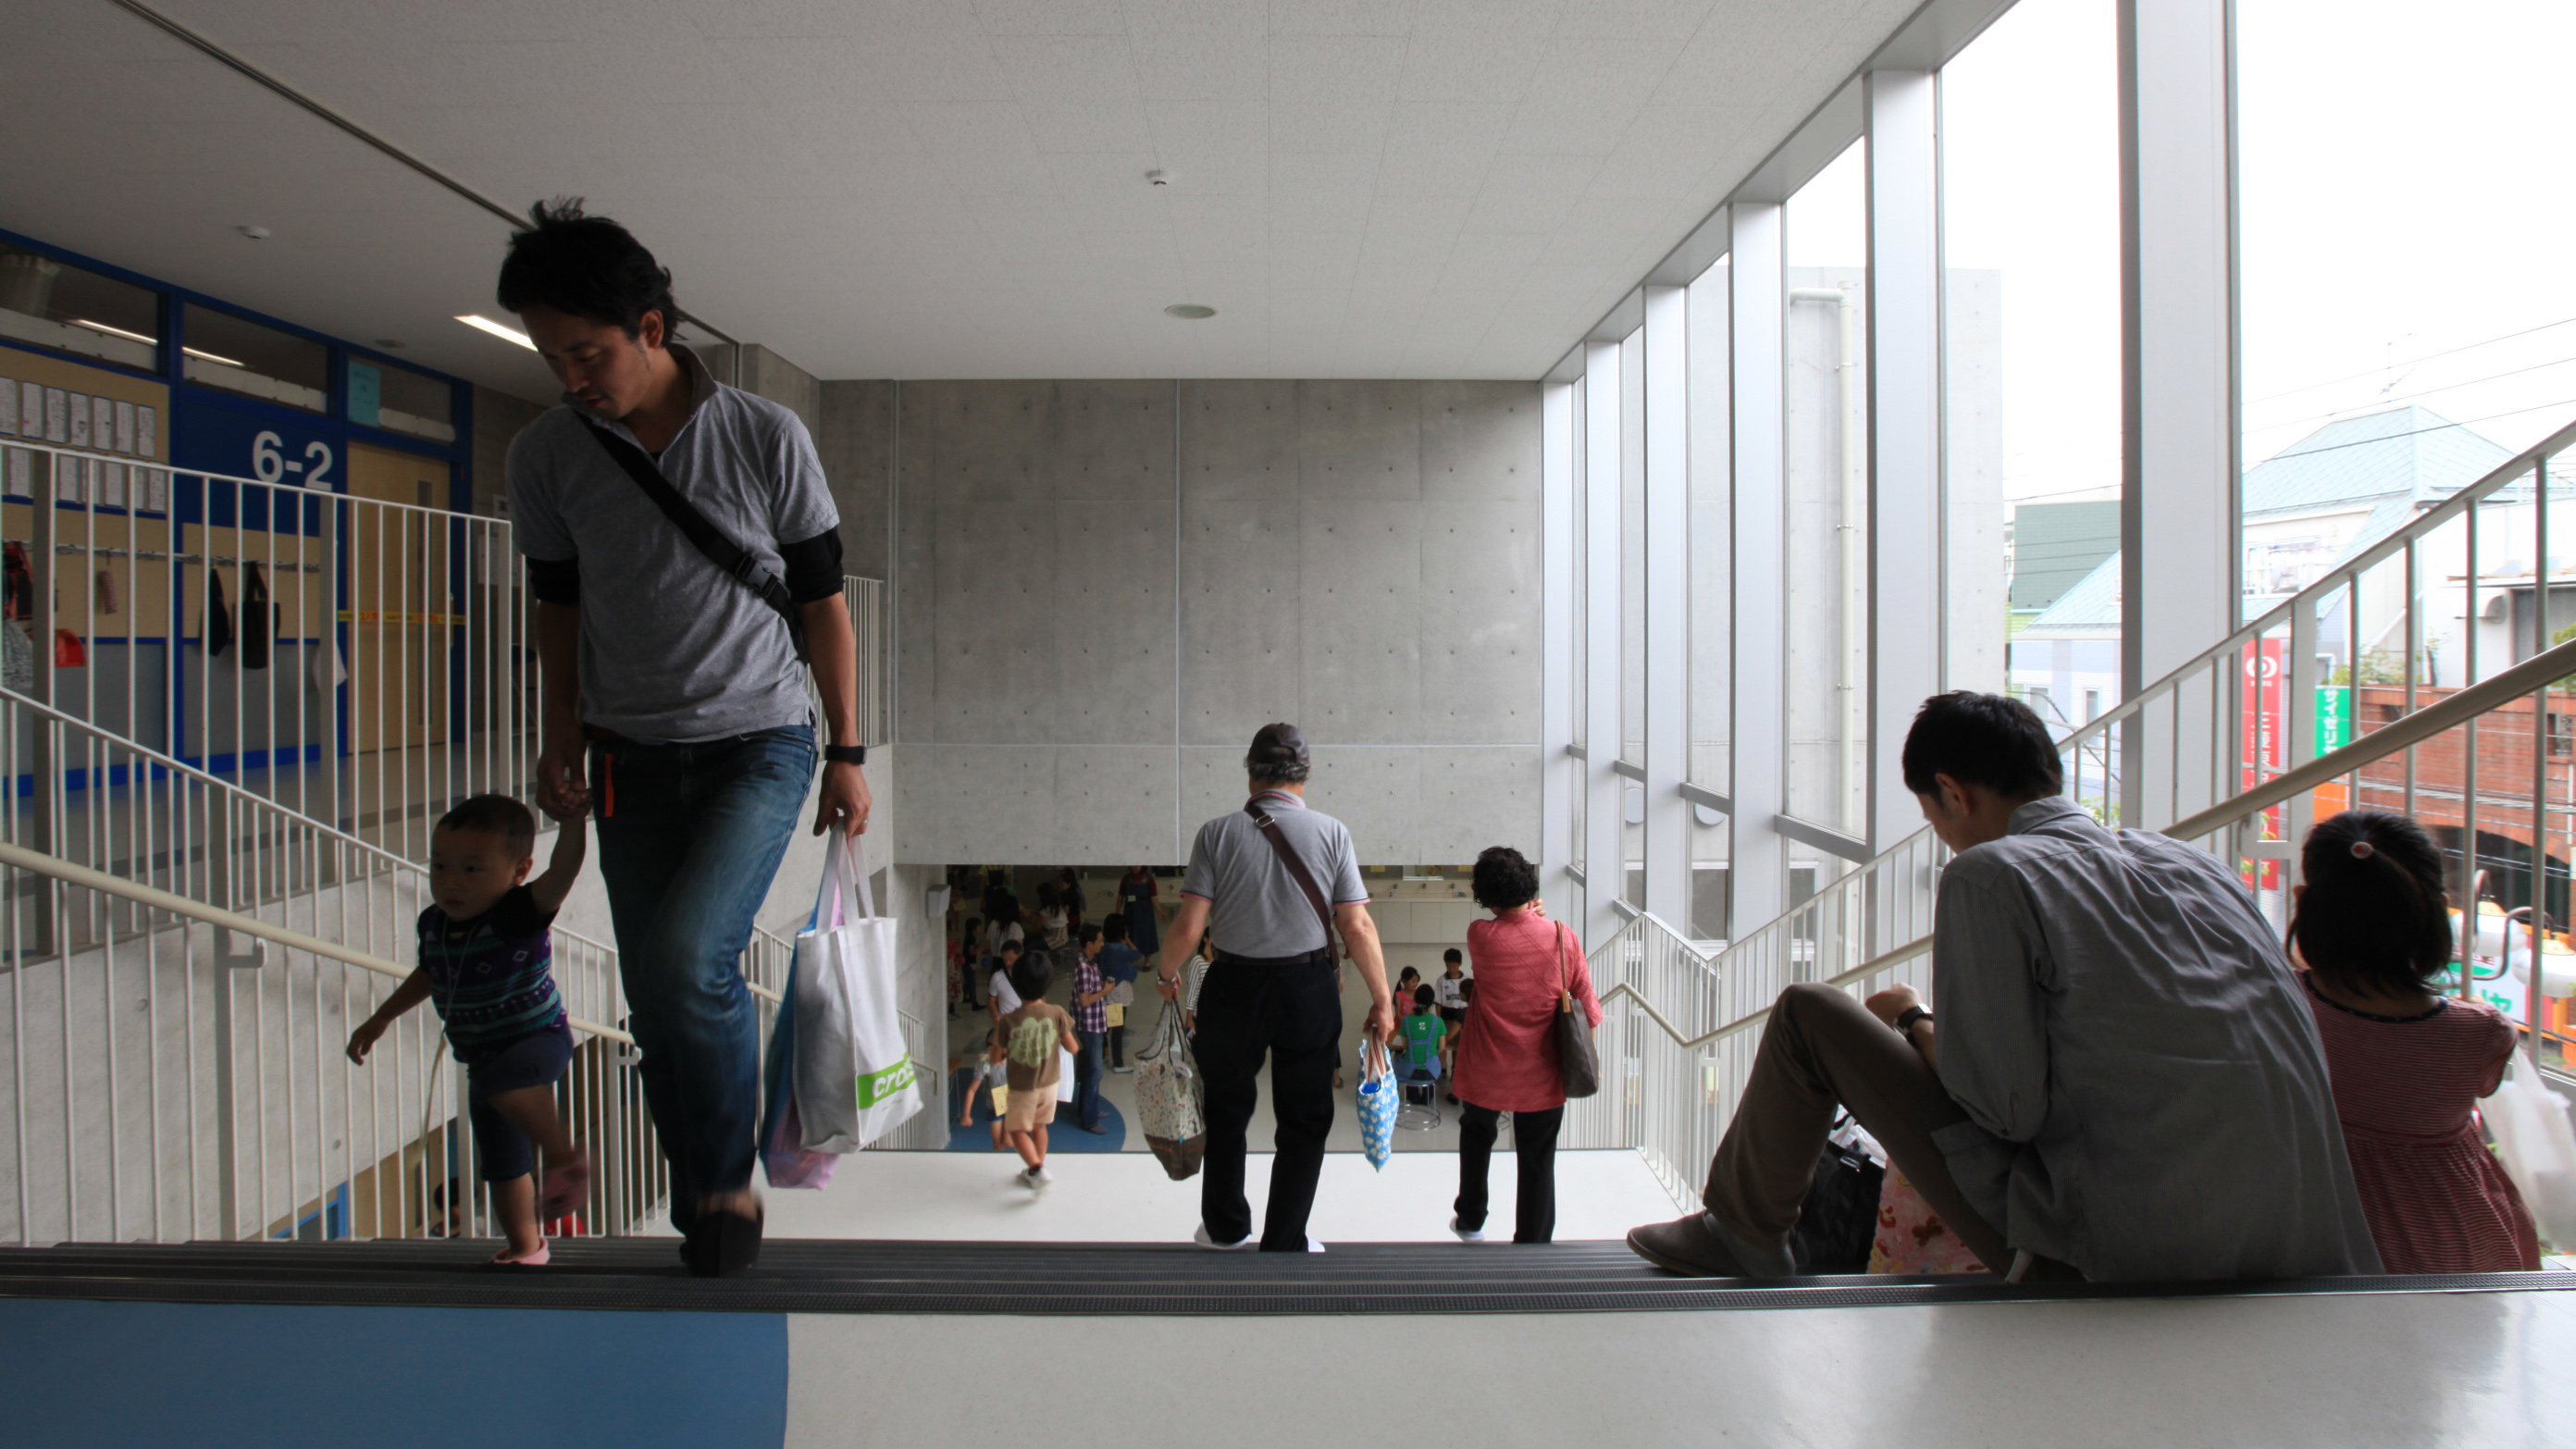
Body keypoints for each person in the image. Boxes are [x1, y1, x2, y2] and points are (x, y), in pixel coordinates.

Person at [1627, 691, 2380, 1282]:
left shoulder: (1991, 874)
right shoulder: (2196, 867)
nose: (1944, 835)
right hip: (2306, 1249)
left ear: (1953, 794)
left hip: (2118, 1255)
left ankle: (1741, 1231)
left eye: (1933, 816)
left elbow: (2002, 1110)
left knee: (1806, 1013)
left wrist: (1916, 1019)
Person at [501, 202, 870, 1278]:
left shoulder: (763, 434)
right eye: (551, 355)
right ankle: (711, 1181)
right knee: (657, 997)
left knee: (682, 959)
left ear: (653, 328)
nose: (574, 375)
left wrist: (848, 751)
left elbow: (823, 603)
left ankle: (718, 1185)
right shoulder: (546, 455)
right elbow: (557, 606)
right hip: (627, 753)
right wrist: (557, 727)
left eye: (591, 352)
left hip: (759, 743)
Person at [1158, 723, 1396, 1252]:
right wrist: (1383, 1000)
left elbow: (1189, 927)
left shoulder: (1216, 833)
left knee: (1224, 1108)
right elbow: (1356, 926)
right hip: (1306, 989)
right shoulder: (1333, 833)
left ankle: (1224, 1229)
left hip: (1232, 984)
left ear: (1250, 773)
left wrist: (1166, 975)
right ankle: (1286, 1239)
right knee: (1305, 1116)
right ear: (1305, 776)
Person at [347, 795, 592, 1267]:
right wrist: (382, 1016)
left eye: (471, 869)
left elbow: (564, 872)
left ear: (519, 870)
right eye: (439, 867)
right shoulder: (434, 924)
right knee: (502, 1165)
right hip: (482, 1061)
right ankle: (526, 1248)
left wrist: (574, 823)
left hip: (537, 1040)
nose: (450, 882)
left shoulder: (517, 913)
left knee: (505, 1079)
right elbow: (429, 974)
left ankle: (565, 1158)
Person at [2291, 811, 2539, 1272]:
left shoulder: (2278, 1004)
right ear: (2431, 912)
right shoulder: (2481, 1032)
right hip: (2451, 1244)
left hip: (2316, 1234)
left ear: (2304, 901)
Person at [1449, 846, 1600, 1246]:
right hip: (1543, 1070)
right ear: (1530, 886)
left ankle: (1471, 1217)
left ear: (1484, 894)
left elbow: (1510, 929)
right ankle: (1532, 1242)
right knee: (1537, 1157)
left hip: (1487, 1066)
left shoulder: (1480, 936)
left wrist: (1526, 914)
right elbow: (1590, 1008)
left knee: (1476, 1133)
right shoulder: (1562, 937)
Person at [997, 954, 1077, 1191]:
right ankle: (1037, 1168)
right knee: (1040, 1126)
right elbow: (1072, 1047)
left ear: (1016, 983)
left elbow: (996, 1057)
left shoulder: (1008, 1021)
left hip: (1023, 1087)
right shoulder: (1057, 1012)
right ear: (1048, 983)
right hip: (1050, 1084)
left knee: (1017, 1129)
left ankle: (1036, 1168)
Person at [1070, 923, 1110, 1133]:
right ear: (1089, 944)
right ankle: (1089, 1119)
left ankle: (1087, 1109)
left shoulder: (1090, 963)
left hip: (1095, 1024)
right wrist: (1106, 991)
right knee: (1095, 1071)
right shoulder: (1084, 968)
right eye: (1100, 940)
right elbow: (1085, 1001)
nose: (1102, 944)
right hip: (1089, 1027)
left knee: (1088, 1070)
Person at [1098, 914, 1142, 1071]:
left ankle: (1102, 1053)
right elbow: (1137, 954)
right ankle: (1118, 1063)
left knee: (1108, 1026)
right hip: (1119, 992)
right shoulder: (1122, 949)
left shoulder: (1104, 947)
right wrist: (1128, 940)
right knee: (1117, 1027)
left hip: (1108, 989)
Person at [1432, 948, 1469, 1089]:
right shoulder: (1442, 980)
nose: (1451, 969)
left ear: (1460, 964)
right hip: (1446, 1017)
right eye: (1448, 966)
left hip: (1461, 1015)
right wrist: (1439, 1019)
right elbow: (1438, 1002)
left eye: (1454, 966)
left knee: (1457, 1045)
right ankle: (1443, 1070)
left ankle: (1455, 1069)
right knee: (1443, 1043)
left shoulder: (1466, 980)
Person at [1121, 865, 1163, 960]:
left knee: (1146, 934)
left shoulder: (1149, 879)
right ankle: (1131, 959)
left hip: (1145, 912)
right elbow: (1121, 896)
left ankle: (1147, 960)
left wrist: (1160, 911)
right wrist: (1117, 911)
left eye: (1137, 865)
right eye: (1133, 865)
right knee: (1130, 933)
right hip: (1130, 911)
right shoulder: (1126, 879)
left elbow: (1154, 896)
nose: (1135, 867)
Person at [988, 938, 1026, 1022]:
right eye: (1005, 960)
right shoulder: (997, 977)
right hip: (1007, 1025)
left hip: (1027, 1024)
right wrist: (995, 1015)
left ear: (1020, 955)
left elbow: (1041, 999)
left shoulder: (1030, 974)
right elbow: (991, 1001)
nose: (1008, 963)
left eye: (1010, 959)